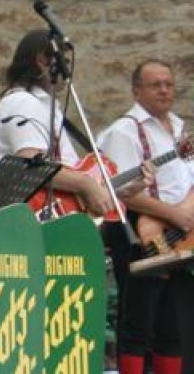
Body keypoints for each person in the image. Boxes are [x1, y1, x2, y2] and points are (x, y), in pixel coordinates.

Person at [99, 60, 194, 374]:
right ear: (136, 91)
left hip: (181, 235)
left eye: (168, 84)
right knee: (137, 324)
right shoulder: (123, 132)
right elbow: (121, 191)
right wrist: (177, 214)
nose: (164, 90)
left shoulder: (180, 129)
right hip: (143, 231)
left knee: (172, 326)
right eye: (155, 85)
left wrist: (186, 214)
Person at [0, 30, 114, 214]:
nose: (67, 71)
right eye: (65, 62)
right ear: (42, 61)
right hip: (43, 214)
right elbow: (31, 165)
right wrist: (85, 184)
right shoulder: (23, 102)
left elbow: (67, 163)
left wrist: (128, 186)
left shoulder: (43, 105)